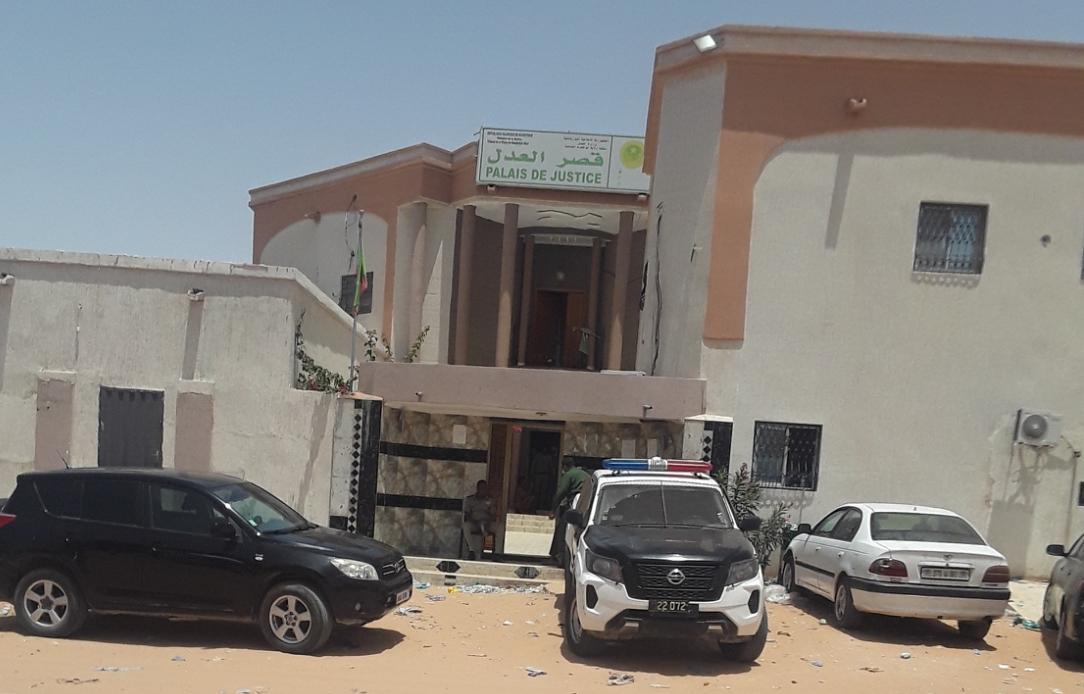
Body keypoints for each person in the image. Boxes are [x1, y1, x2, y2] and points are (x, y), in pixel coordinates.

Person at [549, 457, 589, 565]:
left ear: (564, 466)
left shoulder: (569, 474)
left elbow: (560, 493)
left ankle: (559, 557)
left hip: (575, 503)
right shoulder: (585, 474)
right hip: (587, 505)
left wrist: (553, 509)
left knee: (562, 529)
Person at [462, 480, 496, 560]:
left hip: (486, 523)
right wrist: (475, 522)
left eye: (485, 488)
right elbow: (467, 514)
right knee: (466, 526)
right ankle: (472, 551)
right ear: (477, 488)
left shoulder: (490, 500)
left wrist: (487, 523)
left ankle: (497, 554)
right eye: (481, 488)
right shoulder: (469, 500)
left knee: (500, 527)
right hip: (474, 522)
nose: (483, 490)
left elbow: (492, 514)